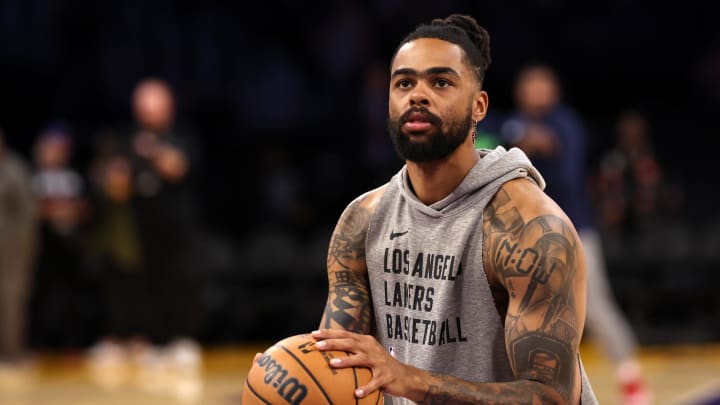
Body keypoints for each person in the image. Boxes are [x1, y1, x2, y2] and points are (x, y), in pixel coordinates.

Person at [310, 15, 597, 404]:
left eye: (440, 82)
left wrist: (413, 381)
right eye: (404, 83)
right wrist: (291, 377)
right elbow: (338, 368)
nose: (418, 95)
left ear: (479, 106)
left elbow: (551, 397)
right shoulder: (362, 220)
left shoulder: (529, 226)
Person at [500, 65, 652, 405]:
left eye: (543, 85)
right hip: (528, 235)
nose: (536, 91)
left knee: (595, 305)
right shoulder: (509, 125)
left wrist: (544, 147)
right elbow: (490, 142)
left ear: (553, 90)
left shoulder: (566, 123)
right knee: (525, 312)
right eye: (530, 85)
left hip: (574, 230)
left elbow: (566, 178)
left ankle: (631, 378)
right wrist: (521, 141)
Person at [0, 129, 38, 382]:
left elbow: (28, 214)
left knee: (11, 298)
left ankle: (11, 353)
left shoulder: (14, 169)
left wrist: (23, 248)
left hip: (11, 249)